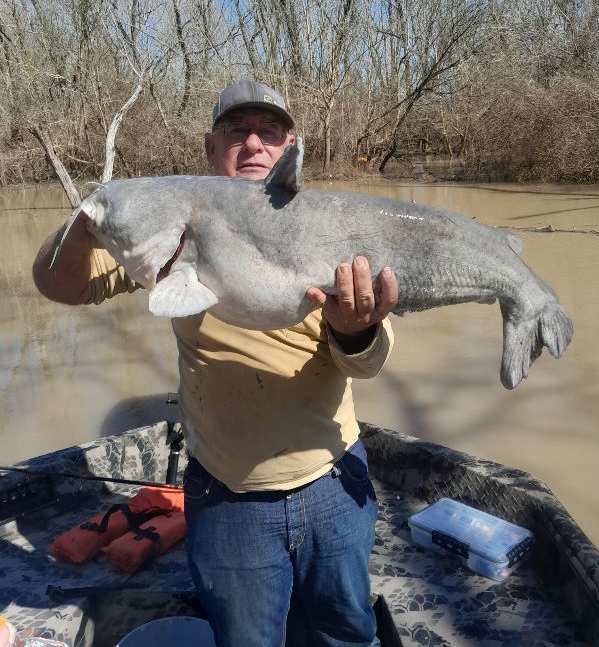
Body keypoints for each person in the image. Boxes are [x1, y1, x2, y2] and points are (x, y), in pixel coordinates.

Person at [32, 80, 399, 647]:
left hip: (332, 481)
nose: (253, 143)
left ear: (289, 148)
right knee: (245, 640)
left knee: (347, 632)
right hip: (228, 498)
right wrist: (89, 217)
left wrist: (355, 330)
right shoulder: (171, 229)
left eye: (269, 132)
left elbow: (370, 364)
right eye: (236, 131)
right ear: (210, 147)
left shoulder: (331, 224)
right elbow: (60, 285)